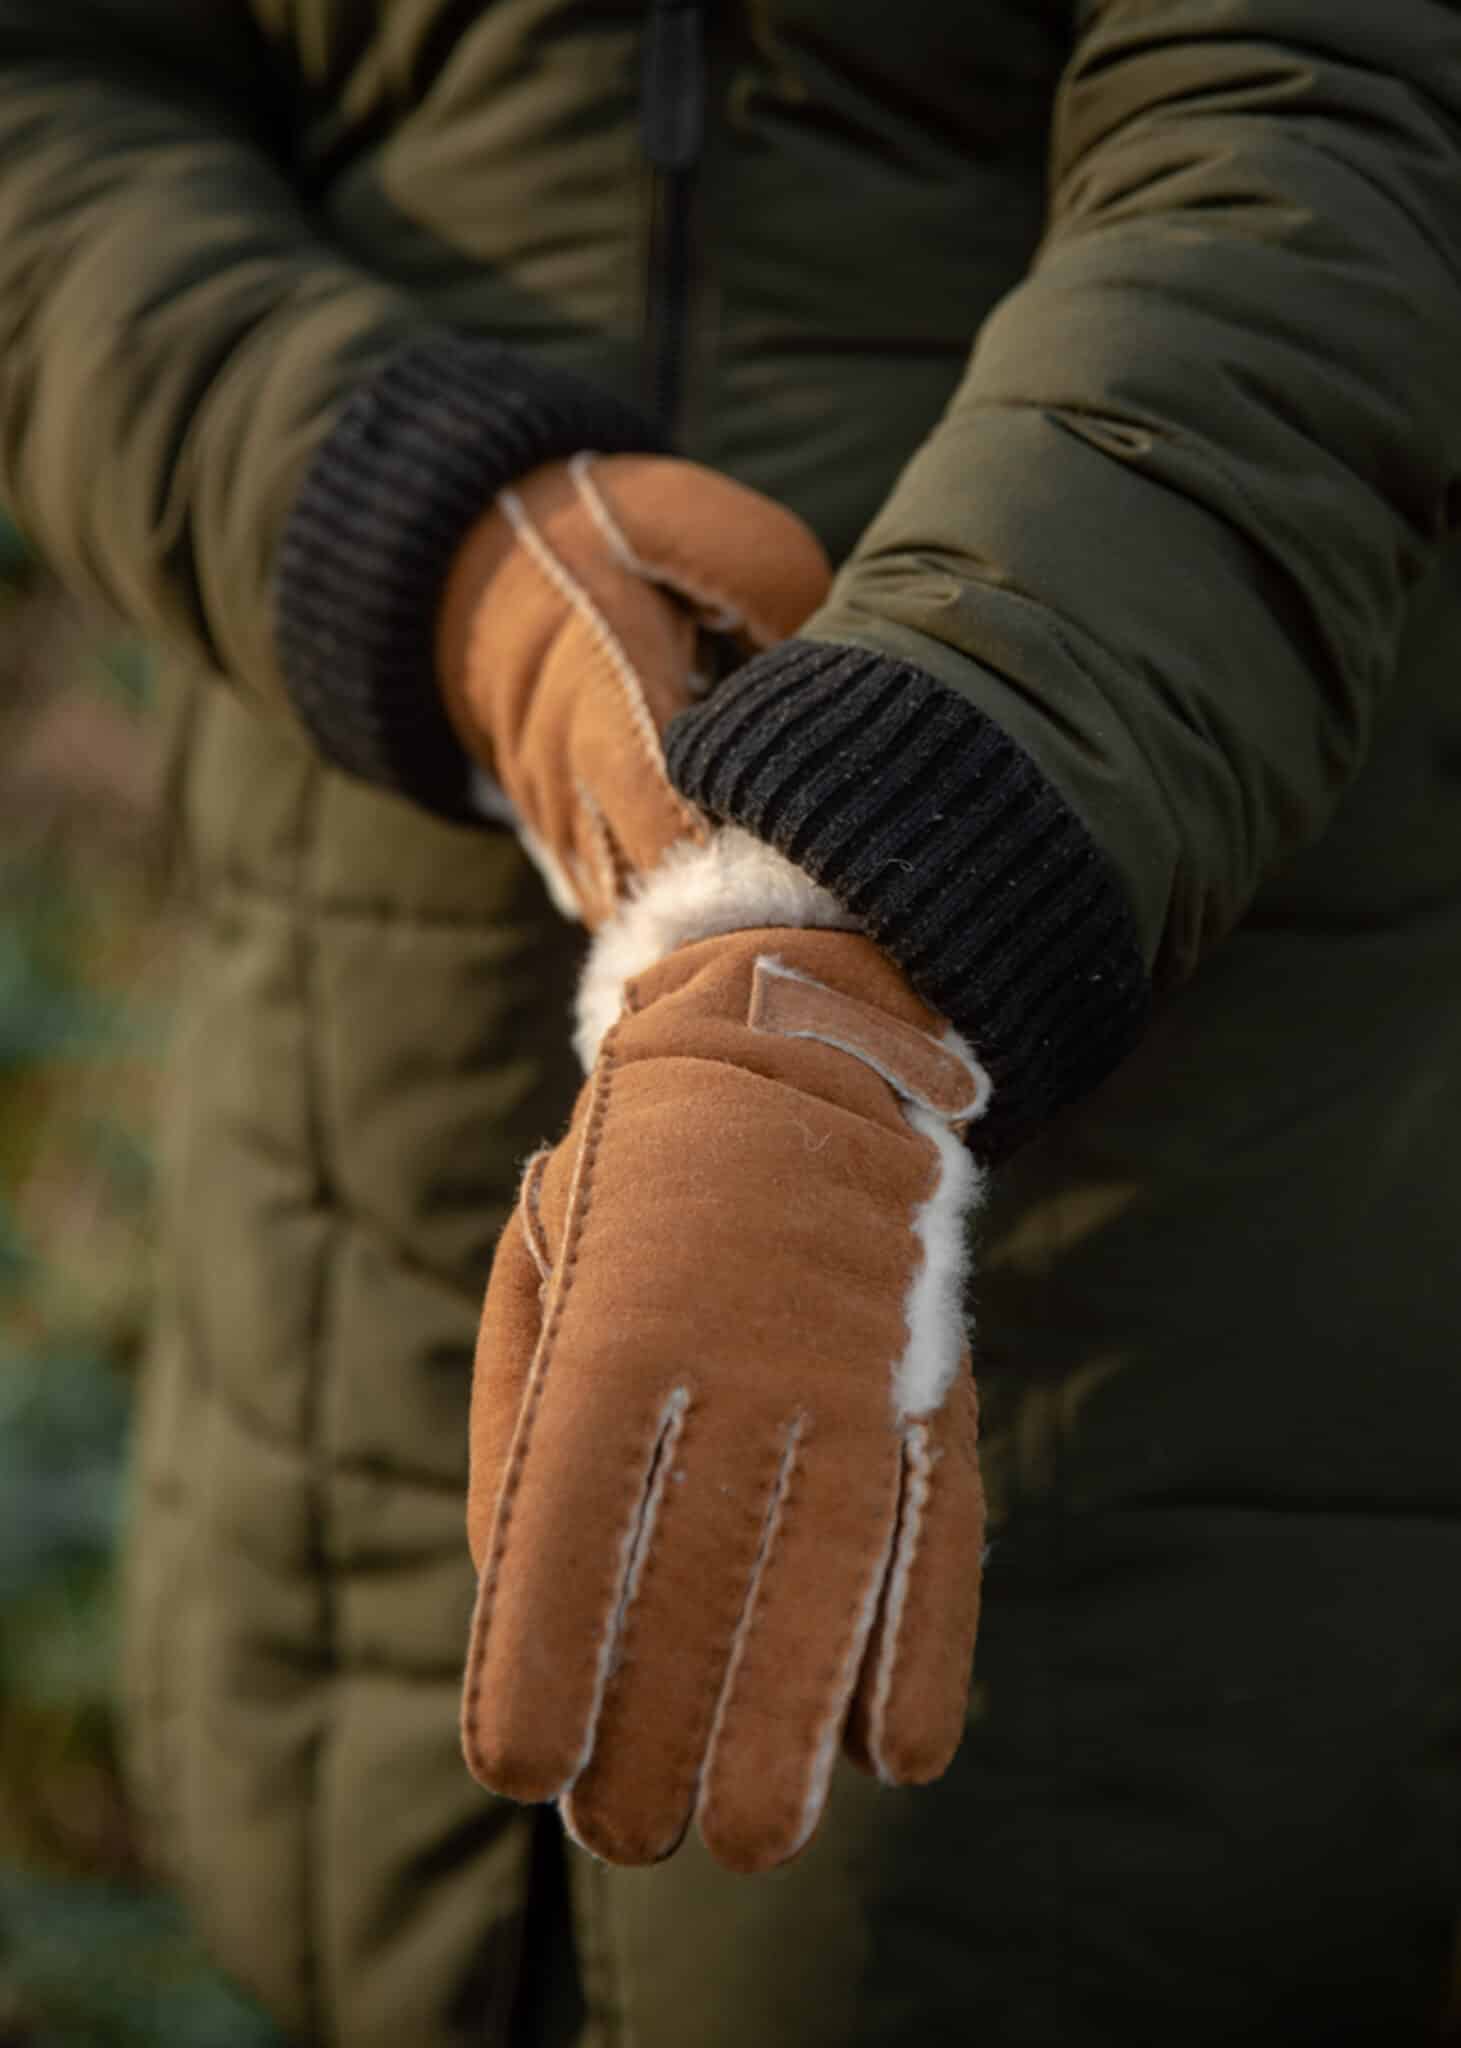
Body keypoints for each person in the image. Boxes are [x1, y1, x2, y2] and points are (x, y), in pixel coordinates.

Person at [2, 2, 1460, 2042]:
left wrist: (861, 910)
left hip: (1125, 1168)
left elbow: (1318, 132)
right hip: (359, 1181)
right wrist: (419, 536)